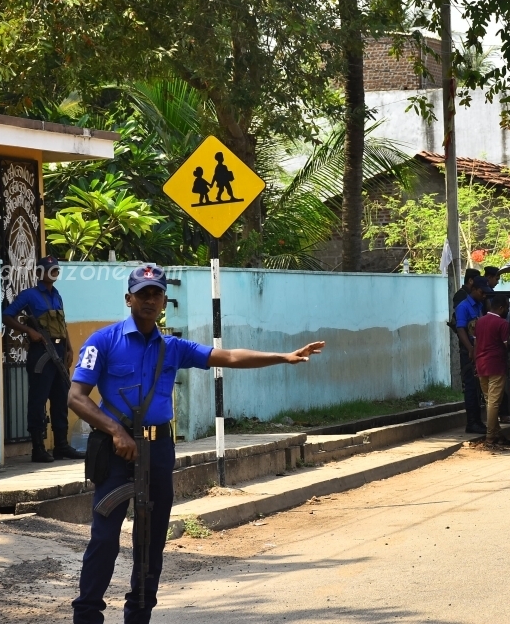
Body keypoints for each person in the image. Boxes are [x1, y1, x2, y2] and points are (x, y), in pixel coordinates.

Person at [67, 264, 324, 622]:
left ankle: (139, 616)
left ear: (164, 302)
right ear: (129, 299)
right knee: (105, 538)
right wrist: (116, 431)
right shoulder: (103, 341)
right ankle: (87, 615)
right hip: (116, 451)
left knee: (151, 541)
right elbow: (77, 397)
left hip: (157, 451)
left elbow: (229, 356)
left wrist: (284, 356)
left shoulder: (173, 348)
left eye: (156, 293)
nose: (149, 299)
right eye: (142, 294)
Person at [2, 255, 84, 463]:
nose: (54, 272)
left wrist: (70, 348)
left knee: (61, 399)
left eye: (56, 269)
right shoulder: (29, 295)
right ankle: (38, 448)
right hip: (40, 351)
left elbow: (62, 324)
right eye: (50, 269)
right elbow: (7, 316)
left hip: (58, 351)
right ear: (39, 272)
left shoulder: (57, 295)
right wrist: (29, 330)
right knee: (38, 400)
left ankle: (61, 446)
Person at [455, 276, 493, 434]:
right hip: (469, 351)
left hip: (479, 350)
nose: (484, 295)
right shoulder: (463, 306)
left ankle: (479, 421)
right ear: (474, 290)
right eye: (481, 292)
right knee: (471, 387)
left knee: (479, 387)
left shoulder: (480, 305)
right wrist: (470, 349)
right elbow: (461, 329)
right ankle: (472, 422)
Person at [474, 295, 510, 445]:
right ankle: (490, 436)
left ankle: (497, 433)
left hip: (481, 365)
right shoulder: (503, 324)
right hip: (496, 365)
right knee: (494, 402)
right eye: (507, 307)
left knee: (490, 401)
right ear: (501, 308)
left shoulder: (480, 322)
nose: (507, 310)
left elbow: (476, 344)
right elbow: (508, 346)